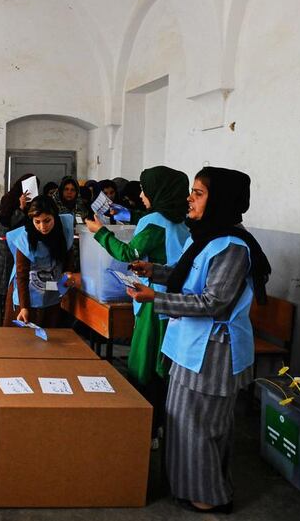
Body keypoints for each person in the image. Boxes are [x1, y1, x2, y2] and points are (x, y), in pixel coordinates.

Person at [127, 167, 271, 514]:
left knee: (201, 427)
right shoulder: (204, 236)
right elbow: (185, 274)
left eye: (199, 192)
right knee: (180, 420)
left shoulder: (232, 247)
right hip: (189, 346)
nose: (189, 198)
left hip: (213, 353)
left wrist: (154, 299)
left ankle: (211, 495)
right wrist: (154, 272)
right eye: (191, 190)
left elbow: (212, 302)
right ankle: (187, 486)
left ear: (219, 200)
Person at [85, 166, 190, 445]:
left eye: (146, 190)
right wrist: (128, 215)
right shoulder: (183, 219)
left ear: (159, 192)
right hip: (179, 302)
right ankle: (166, 424)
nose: (141, 194)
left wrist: (99, 231)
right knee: (166, 363)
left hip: (153, 301)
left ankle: (148, 427)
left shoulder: (155, 221)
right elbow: (158, 227)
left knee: (145, 363)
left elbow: (128, 253)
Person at [3, 195, 77, 328]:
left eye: (47, 221)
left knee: (51, 335)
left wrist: (68, 272)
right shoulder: (25, 238)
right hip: (26, 291)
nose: (43, 226)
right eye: (37, 222)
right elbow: (22, 275)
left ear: (55, 216)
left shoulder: (64, 231)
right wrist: (24, 307)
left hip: (52, 288)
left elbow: (68, 256)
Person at [0, 174, 37, 324]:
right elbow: (7, 223)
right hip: (7, 249)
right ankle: (4, 318)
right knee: (6, 287)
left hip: (23, 247)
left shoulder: (34, 203)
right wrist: (21, 207)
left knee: (20, 284)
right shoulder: (8, 199)